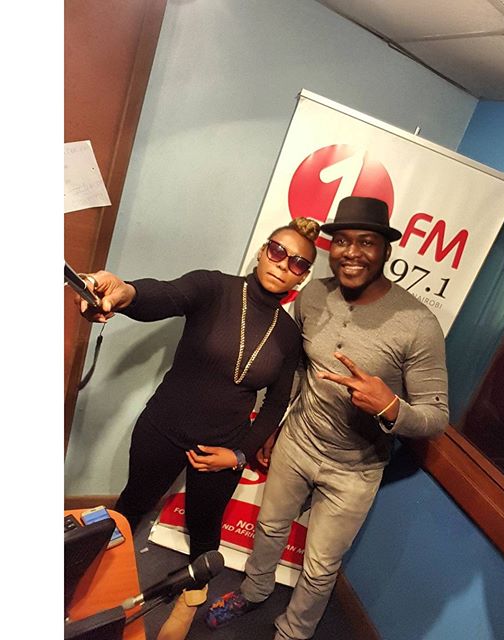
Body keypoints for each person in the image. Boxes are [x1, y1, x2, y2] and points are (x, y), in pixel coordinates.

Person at [206, 196, 449, 640]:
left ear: (386, 250)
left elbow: (436, 418)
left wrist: (391, 407)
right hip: (298, 442)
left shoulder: (418, 324)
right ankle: (254, 591)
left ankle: (293, 632)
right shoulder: (313, 294)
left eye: (366, 242)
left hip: (355, 469)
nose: (352, 252)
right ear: (330, 247)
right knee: (270, 528)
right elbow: (299, 367)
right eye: (341, 241)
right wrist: (277, 425)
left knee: (319, 569)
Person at [74, 217, 320, 640]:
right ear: (263, 251)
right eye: (278, 251)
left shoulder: (288, 334)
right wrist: (125, 292)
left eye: (298, 263)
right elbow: (164, 295)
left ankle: (189, 603)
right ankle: (90, 583)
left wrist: (239, 455)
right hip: (163, 428)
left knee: (205, 532)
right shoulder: (214, 287)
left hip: (222, 448)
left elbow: (277, 402)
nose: (284, 264)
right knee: (132, 506)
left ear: (304, 275)